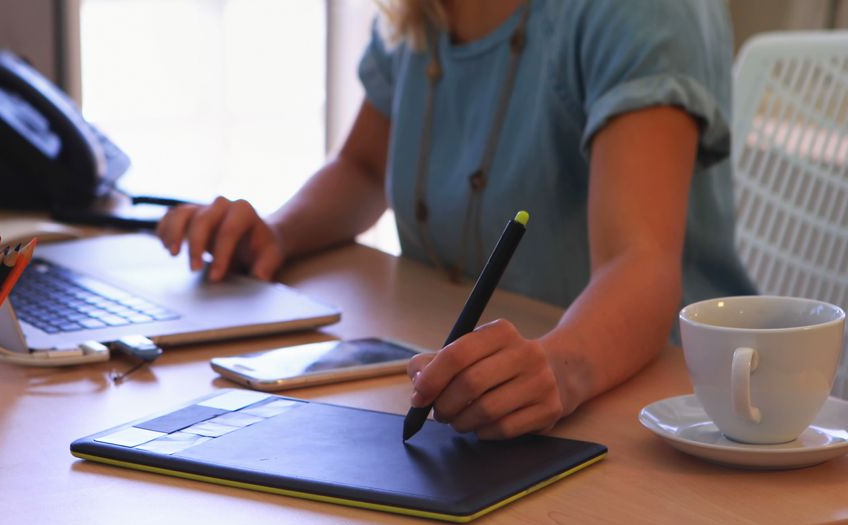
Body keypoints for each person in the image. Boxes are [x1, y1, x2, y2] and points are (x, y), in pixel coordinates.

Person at [156, 0, 755, 439]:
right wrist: (278, 232)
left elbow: (641, 261)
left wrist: (558, 369)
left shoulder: (641, 13)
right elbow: (364, 169)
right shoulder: (421, 13)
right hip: (481, 395)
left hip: (669, 409)